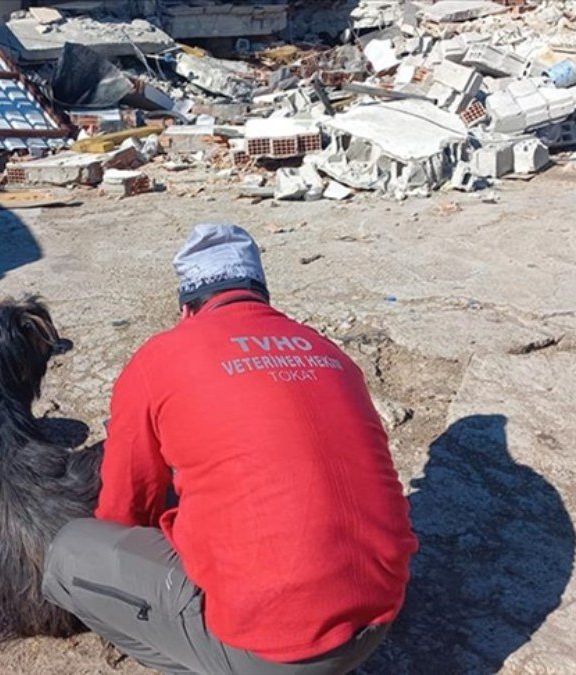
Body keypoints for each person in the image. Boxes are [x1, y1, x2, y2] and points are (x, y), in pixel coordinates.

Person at [42, 224, 417, 674]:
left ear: (186, 308)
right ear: (260, 294)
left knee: (69, 552)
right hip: (379, 615)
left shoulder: (159, 358)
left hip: (277, 649)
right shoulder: (329, 352)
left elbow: (125, 508)